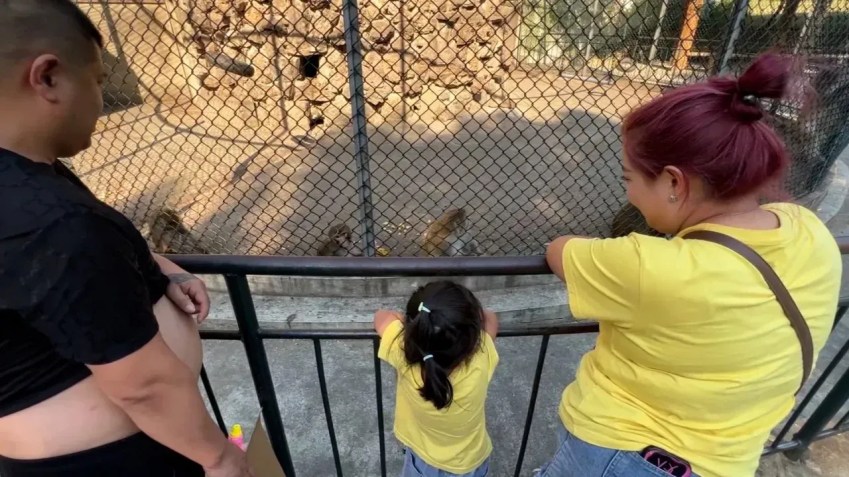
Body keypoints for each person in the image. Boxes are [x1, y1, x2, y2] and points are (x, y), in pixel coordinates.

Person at [540, 53, 842, 477]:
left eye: (630, 179)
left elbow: (560, 250)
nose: (629, 194)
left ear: (674, 183)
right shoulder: (809, 230)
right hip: (727, 461)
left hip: (622, 453)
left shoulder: (649, 267)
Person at [0, 1, 252, 476]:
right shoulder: (48, 222)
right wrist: (219, 459)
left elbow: (51, 283)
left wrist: (157, 269)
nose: (101, 99)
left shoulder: (32, 182)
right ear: (47, 77)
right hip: (114, 459)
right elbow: (143, 386)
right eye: (97, 80)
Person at [374, 281, 499, 477]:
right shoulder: (480, 359)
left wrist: (403, 326)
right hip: (470, 463)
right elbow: (490, 318)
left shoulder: (402, 351)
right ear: (472, 338)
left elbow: (381, 316)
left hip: (422, 464)